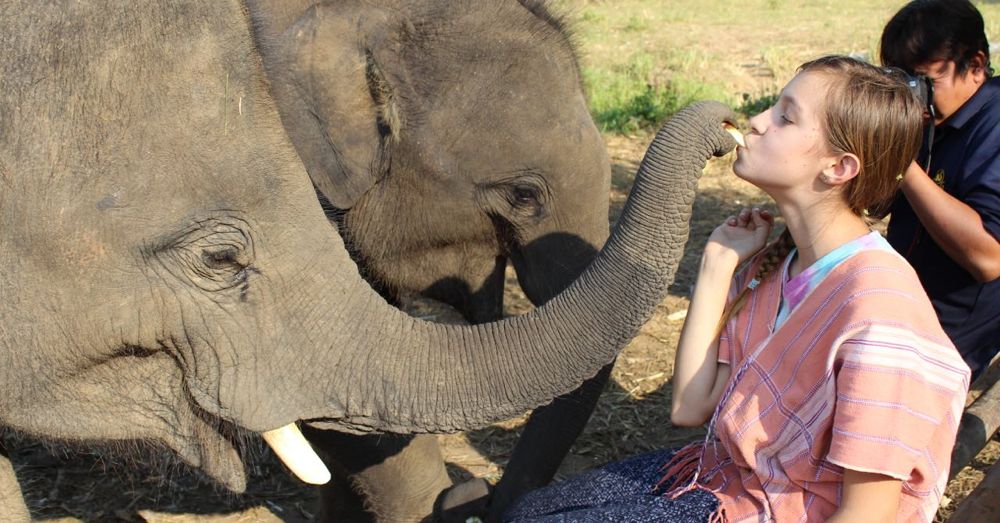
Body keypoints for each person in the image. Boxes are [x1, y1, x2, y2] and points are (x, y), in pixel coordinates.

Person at [502, 56, 970, 522]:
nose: (758, 121)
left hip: (782, 510)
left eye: (785, 117)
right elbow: (690, 405)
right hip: (733, 478)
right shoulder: (780, 263)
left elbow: (868, 516)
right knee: (529, 512)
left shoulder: (882, 317)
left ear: (839, 167)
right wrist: (717, 263)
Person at [880, 0, 1000, 381]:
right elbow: (876, 205)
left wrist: (902, 164)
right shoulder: (934, 112)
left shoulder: (994, 125)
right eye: (902, 82)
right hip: (901, 299)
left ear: (976, 66)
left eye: (924, 81)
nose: (913, 95)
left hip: (953, 324)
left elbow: (989, 259)